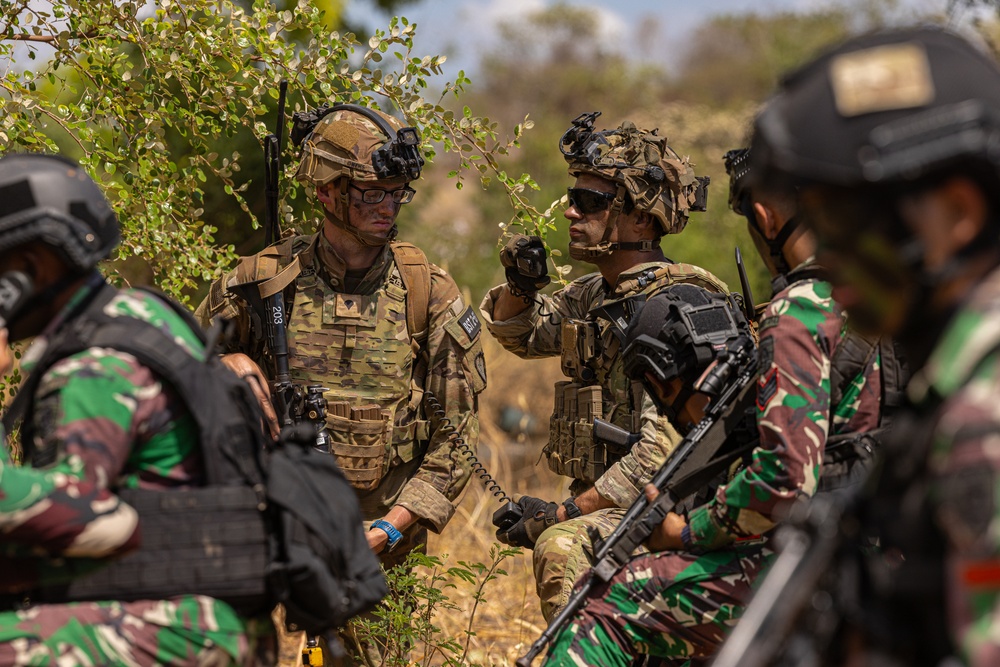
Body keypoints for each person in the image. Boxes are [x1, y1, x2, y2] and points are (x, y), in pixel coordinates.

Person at [539, 135, 888, 666]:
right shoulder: (885, 297)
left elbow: (784, 477)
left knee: (617, 598)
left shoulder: (801, 311)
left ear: (767, 217)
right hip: (893, 546)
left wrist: (688, 530)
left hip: (828, 558)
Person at [195, 104, 485, 660]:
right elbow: (177, 369)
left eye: (398, 193)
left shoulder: (429, 292)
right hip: (269, 530)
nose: (389, 206)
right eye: (372, 192)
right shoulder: (261, 280)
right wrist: (223, 364)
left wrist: (392, 530)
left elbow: (458, 438)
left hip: (381, 546)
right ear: (326, 192)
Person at [751, 26, 1000, 667]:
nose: (825, 260)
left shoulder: (983, 409)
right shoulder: (948, 376)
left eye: (845, 226)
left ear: (957, 213)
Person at [0, 153, 274, 666]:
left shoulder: (94, 365)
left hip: (177, 626)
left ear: (29, 269)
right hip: (212, 614)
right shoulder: (143, 314)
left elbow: (82, 515)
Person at [480, 110, 728, 621]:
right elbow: (522, 334)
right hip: (621, 501)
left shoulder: (679, 303)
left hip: (674, 505)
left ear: (641, 218)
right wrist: (520, 286)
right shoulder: (598, 293)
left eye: (590, 202)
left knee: (561, 546)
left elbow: (663, 454)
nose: (571, 213)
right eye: (573, 199)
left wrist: (562, 512)